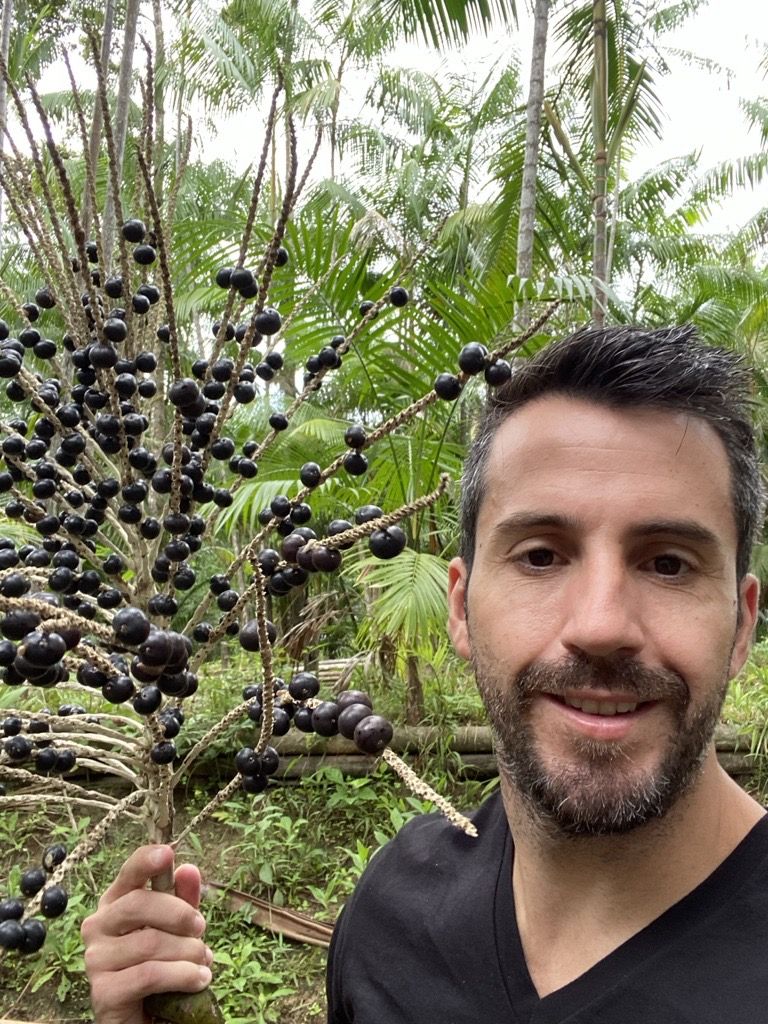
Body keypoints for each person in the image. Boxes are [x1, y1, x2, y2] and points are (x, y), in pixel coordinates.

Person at [83, 325, 768, 1024]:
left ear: (742, 625)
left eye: (668, 563)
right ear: (462, 608)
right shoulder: (392, 910)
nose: (600, 624)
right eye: (540, 556)